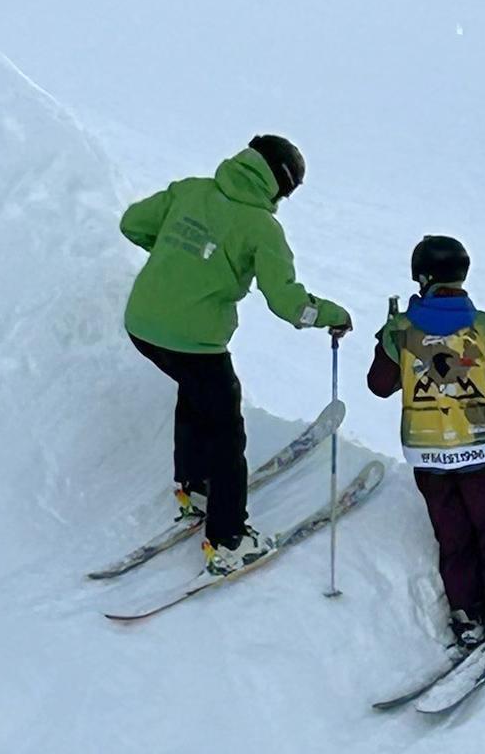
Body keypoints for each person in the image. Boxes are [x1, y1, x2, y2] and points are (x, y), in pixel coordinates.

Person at [120, 135, 352, 575]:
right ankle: (227, 539)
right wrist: (333, 315)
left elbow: (132, 223)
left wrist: (176, 261)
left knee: (195, 394)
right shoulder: (261, 228)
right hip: (195, 340)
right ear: (280, 185)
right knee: (226, 430)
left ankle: (195, 487)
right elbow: (288, 304)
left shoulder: (191, 190)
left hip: (142, 326)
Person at [367, 235, 485, 649]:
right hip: (483, 450)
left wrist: (387, 339)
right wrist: (484, 418)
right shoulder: (483, 326)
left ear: (421, 278)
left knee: (453, 536)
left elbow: (378, 385)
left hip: (428, 455)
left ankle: (467, 614)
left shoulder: (402, 330)